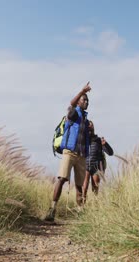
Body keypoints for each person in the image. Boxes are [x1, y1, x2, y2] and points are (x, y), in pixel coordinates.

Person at [45, 82, 91, 222]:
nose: (86, 102)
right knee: (62, 179)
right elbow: (71, 104)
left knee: (79, 185)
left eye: (87, 100)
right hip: (69, 153)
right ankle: (52, 209)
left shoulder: (86, 120)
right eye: (84, 99)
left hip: (81, 155)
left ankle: (80, 213)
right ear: (78, 101)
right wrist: (81, 91)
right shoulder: (73, 114)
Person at [82, 120, 114, 202]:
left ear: (93, 128)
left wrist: (105, 144)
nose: (89, 127)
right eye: (88, 125)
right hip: (85, 166)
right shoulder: (83, 140)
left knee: (95, 188)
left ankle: (95, 207)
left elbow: (111, 153)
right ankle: (81, 207)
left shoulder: (99, 140)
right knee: (84, 188)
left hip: (96, 167)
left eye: (91, 125)